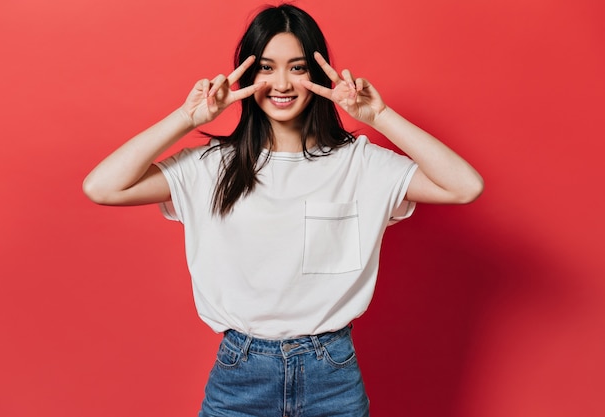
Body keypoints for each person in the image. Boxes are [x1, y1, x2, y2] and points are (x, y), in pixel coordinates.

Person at [83, 4, 483, 416]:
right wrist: (188, 117)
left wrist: (379, 116)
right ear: (246, 74)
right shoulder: (210, 166)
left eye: (296, 67)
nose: (282, 83)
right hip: (240, 373)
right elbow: (102, 186)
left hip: (333, 373)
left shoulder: (359, 163)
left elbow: (465, 187)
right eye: (266, 68)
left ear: (317, 74)